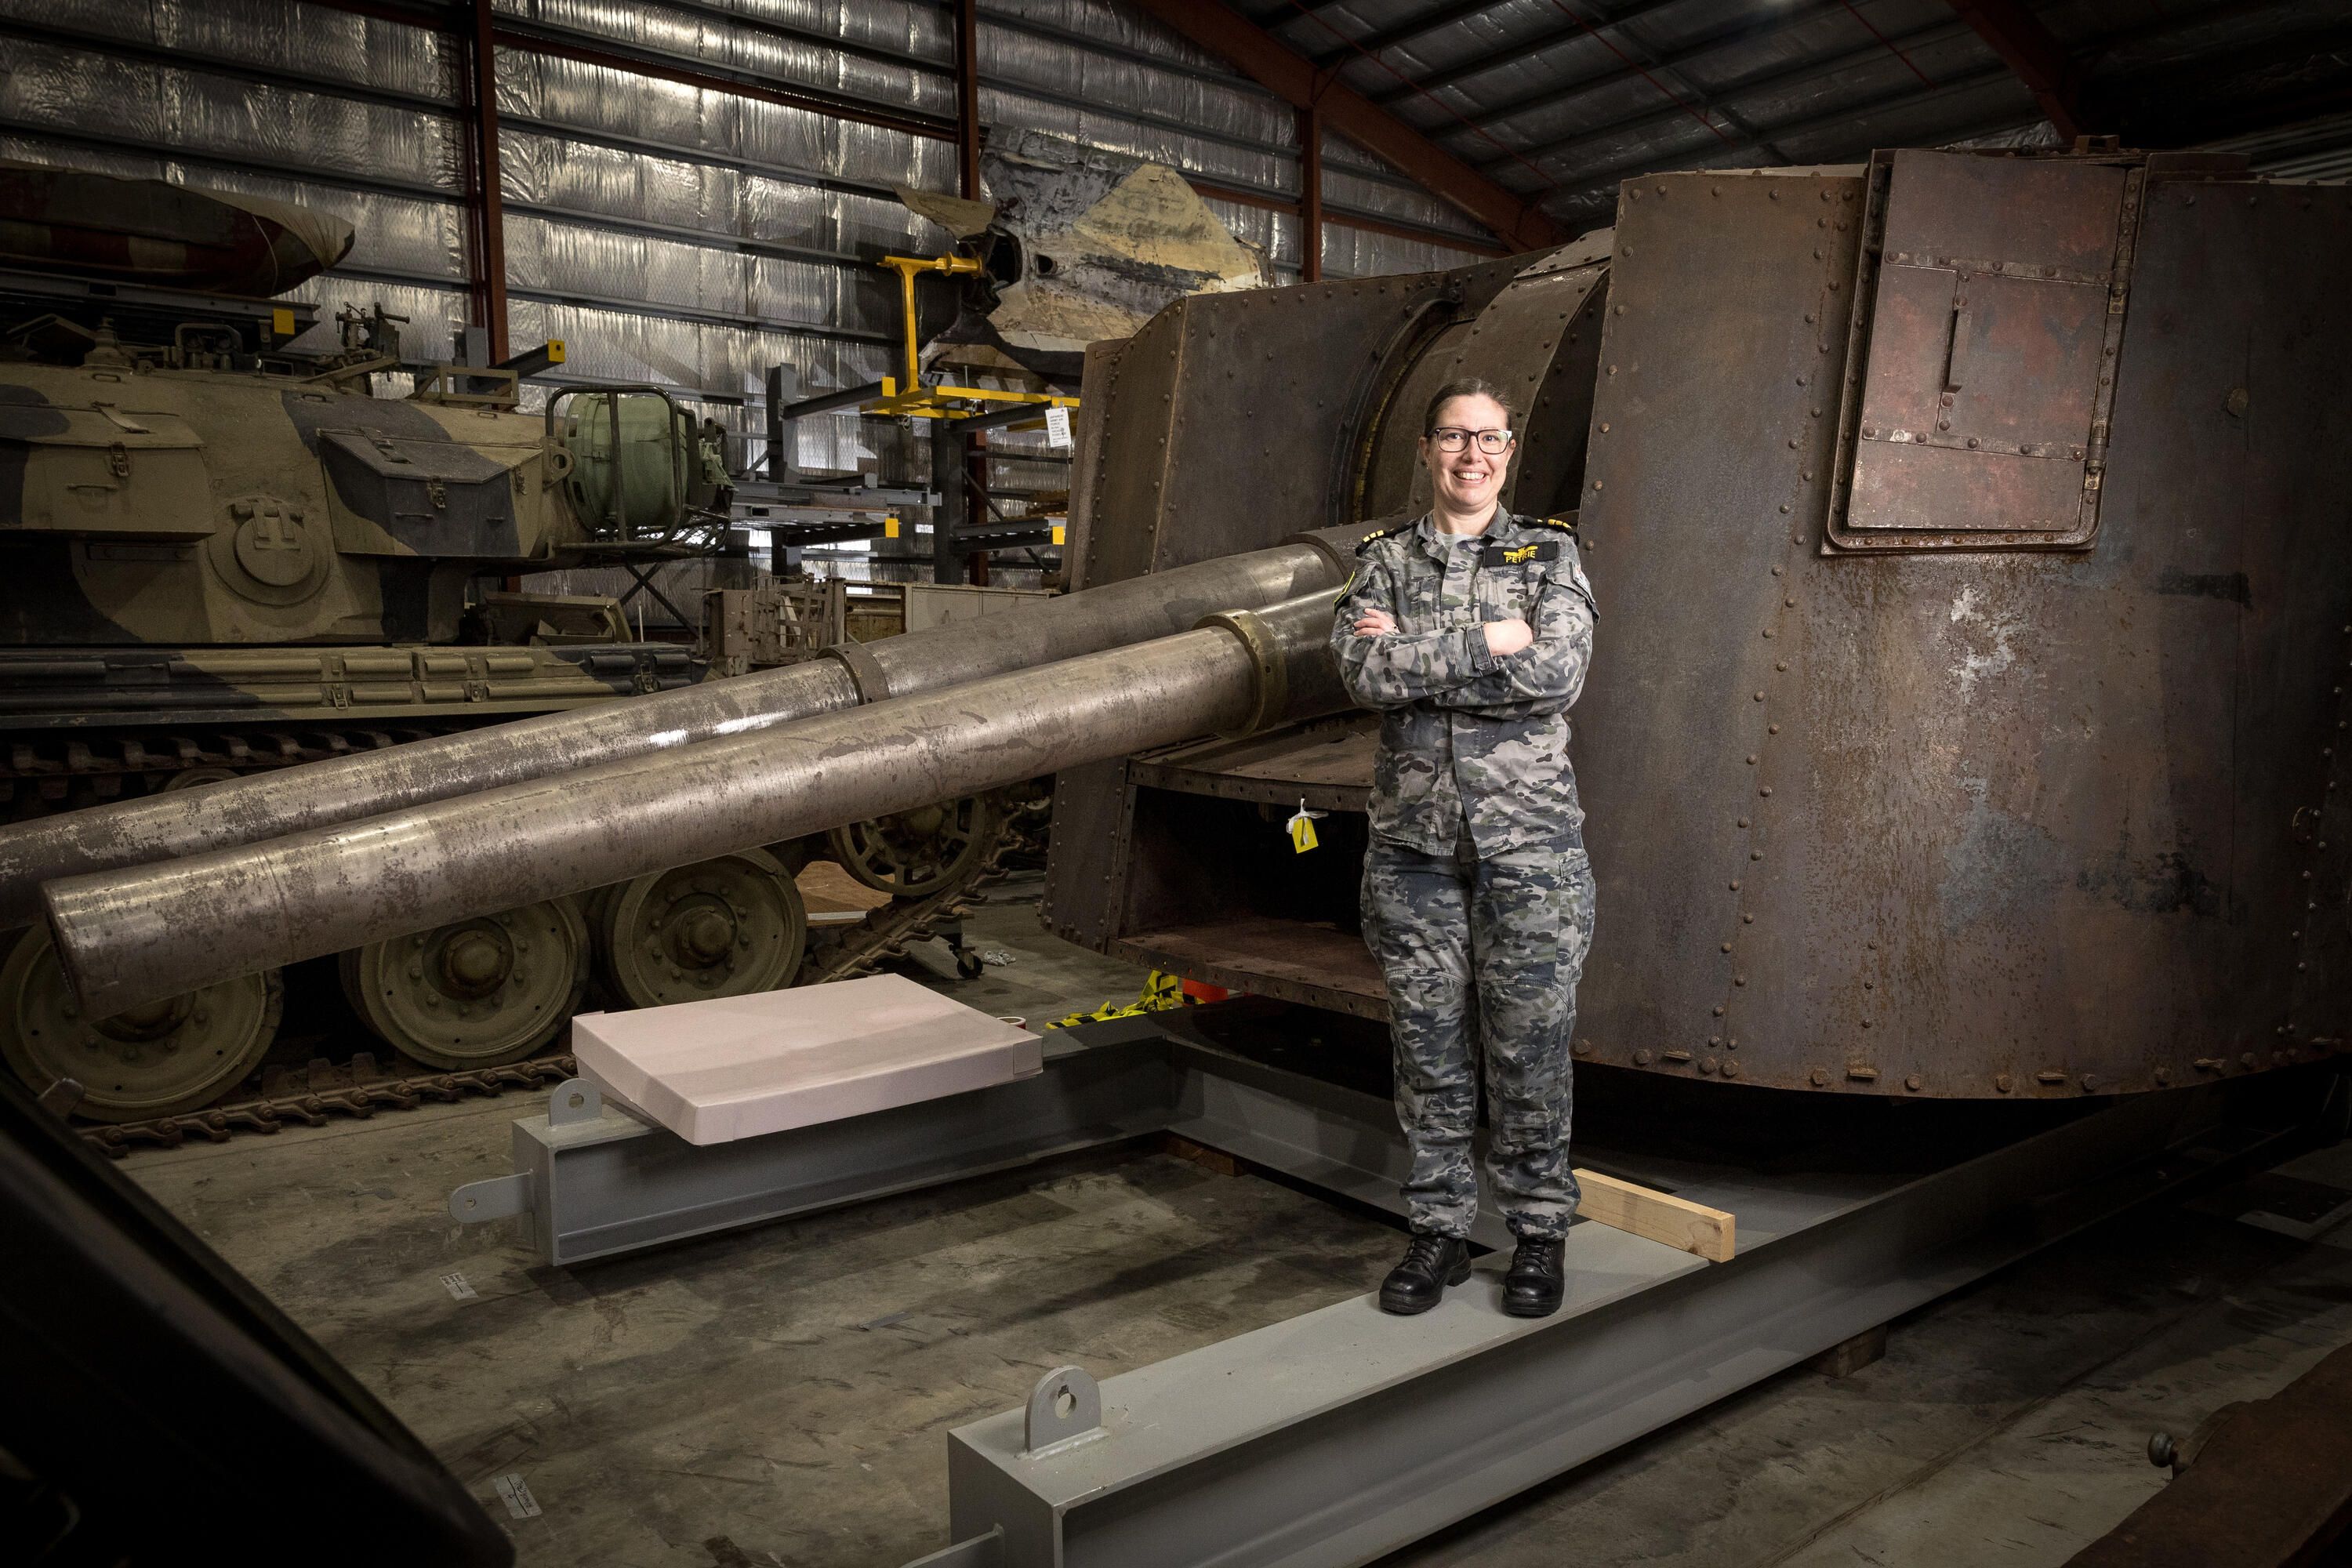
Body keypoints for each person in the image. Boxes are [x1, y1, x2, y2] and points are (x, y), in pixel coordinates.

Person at [1330, 378, 1599, 1319]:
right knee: (1429, 1046)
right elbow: (1362, 671)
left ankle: (1537, 1229)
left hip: (1529, 851)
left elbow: (1558, 673)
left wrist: (1422, 651)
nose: (1471, 454)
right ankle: (1439, 1229)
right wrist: (1495, 636)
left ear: (1510, 448)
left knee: (1530, 1045)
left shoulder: (1548, 551)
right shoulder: (1384, 561)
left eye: (1487, 438)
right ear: (1428, 448)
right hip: (1414, 853)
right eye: (1453, 436)